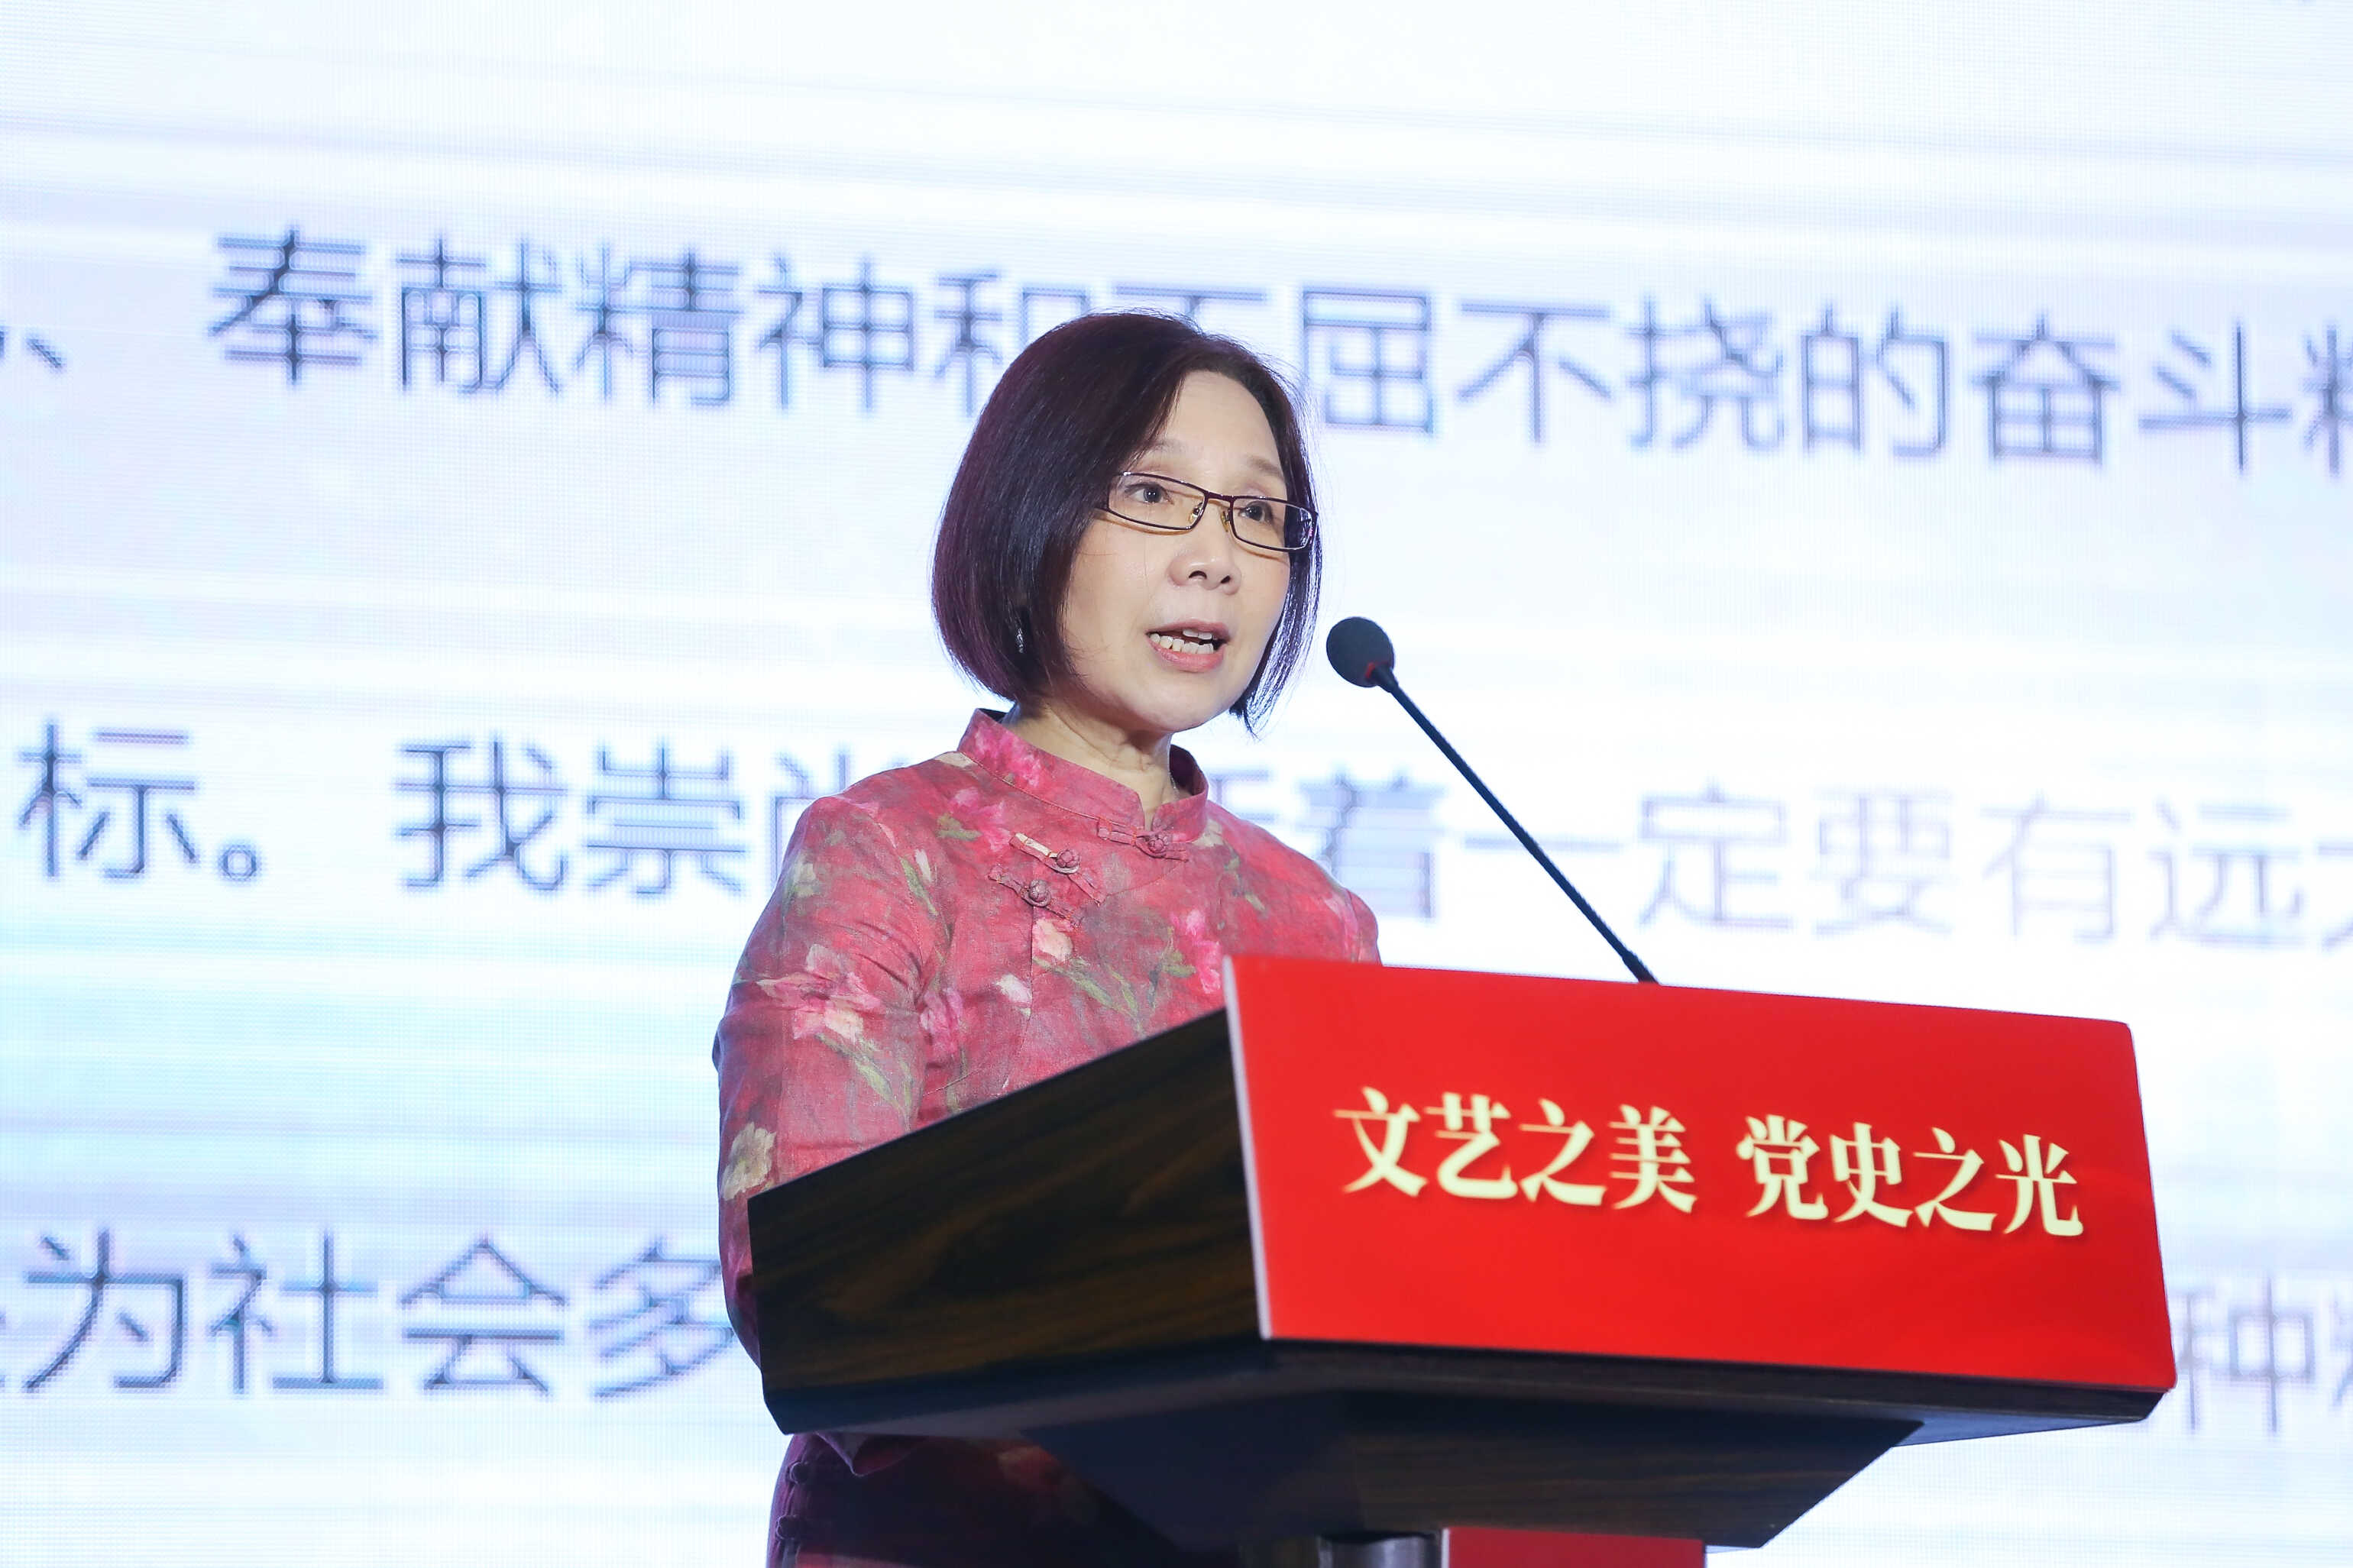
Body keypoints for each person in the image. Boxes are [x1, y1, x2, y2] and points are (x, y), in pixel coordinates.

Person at [713, 311, 1380, 1568]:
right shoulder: (888, 853)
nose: (1216, 558)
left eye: (1257, 513)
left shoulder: (1317, 921)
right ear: (1033, 516)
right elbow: (802, 1278)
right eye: (1155, 496)